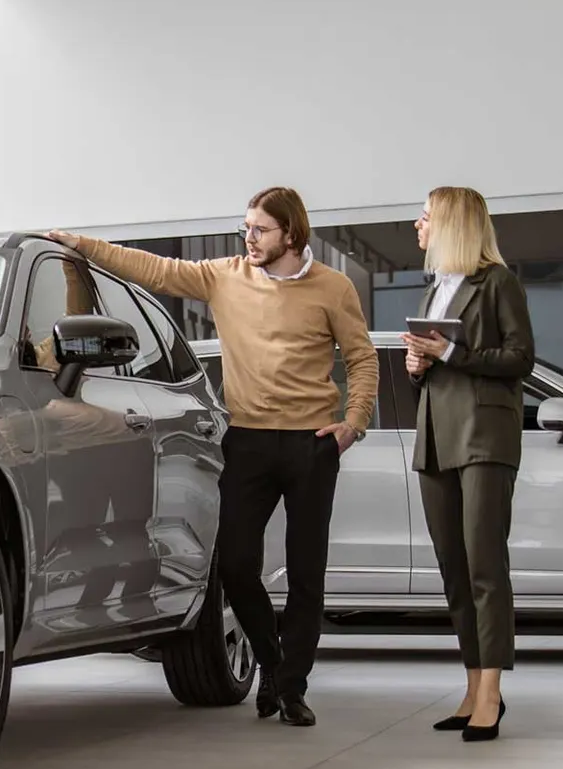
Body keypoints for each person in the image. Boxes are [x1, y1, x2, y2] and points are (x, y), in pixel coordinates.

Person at [46, 187, 377, 727]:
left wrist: (352, 425)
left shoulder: (332, 288)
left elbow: (362, 358)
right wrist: (79, 243)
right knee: (237, 565)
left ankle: (292, 688)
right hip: (246, 438)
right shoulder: (224, 276)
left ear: (290, 234)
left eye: (260, 229)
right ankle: (270, 663)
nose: (248, 237)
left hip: (310, 444)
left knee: (307, 576)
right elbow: (153, 269)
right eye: (245, 227)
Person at [400, 186, 535, 742]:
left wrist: (448, 353)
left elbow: (520, 358)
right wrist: (415, 365)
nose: (417, 224)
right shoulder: (436, 287)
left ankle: (492, 694)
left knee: (484, 568)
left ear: (453, 225)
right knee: (454, 572)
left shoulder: (498, 282)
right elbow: (432, 367)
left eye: (426, 217)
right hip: (436, 438)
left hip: (484, 437)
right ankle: (472, 684)